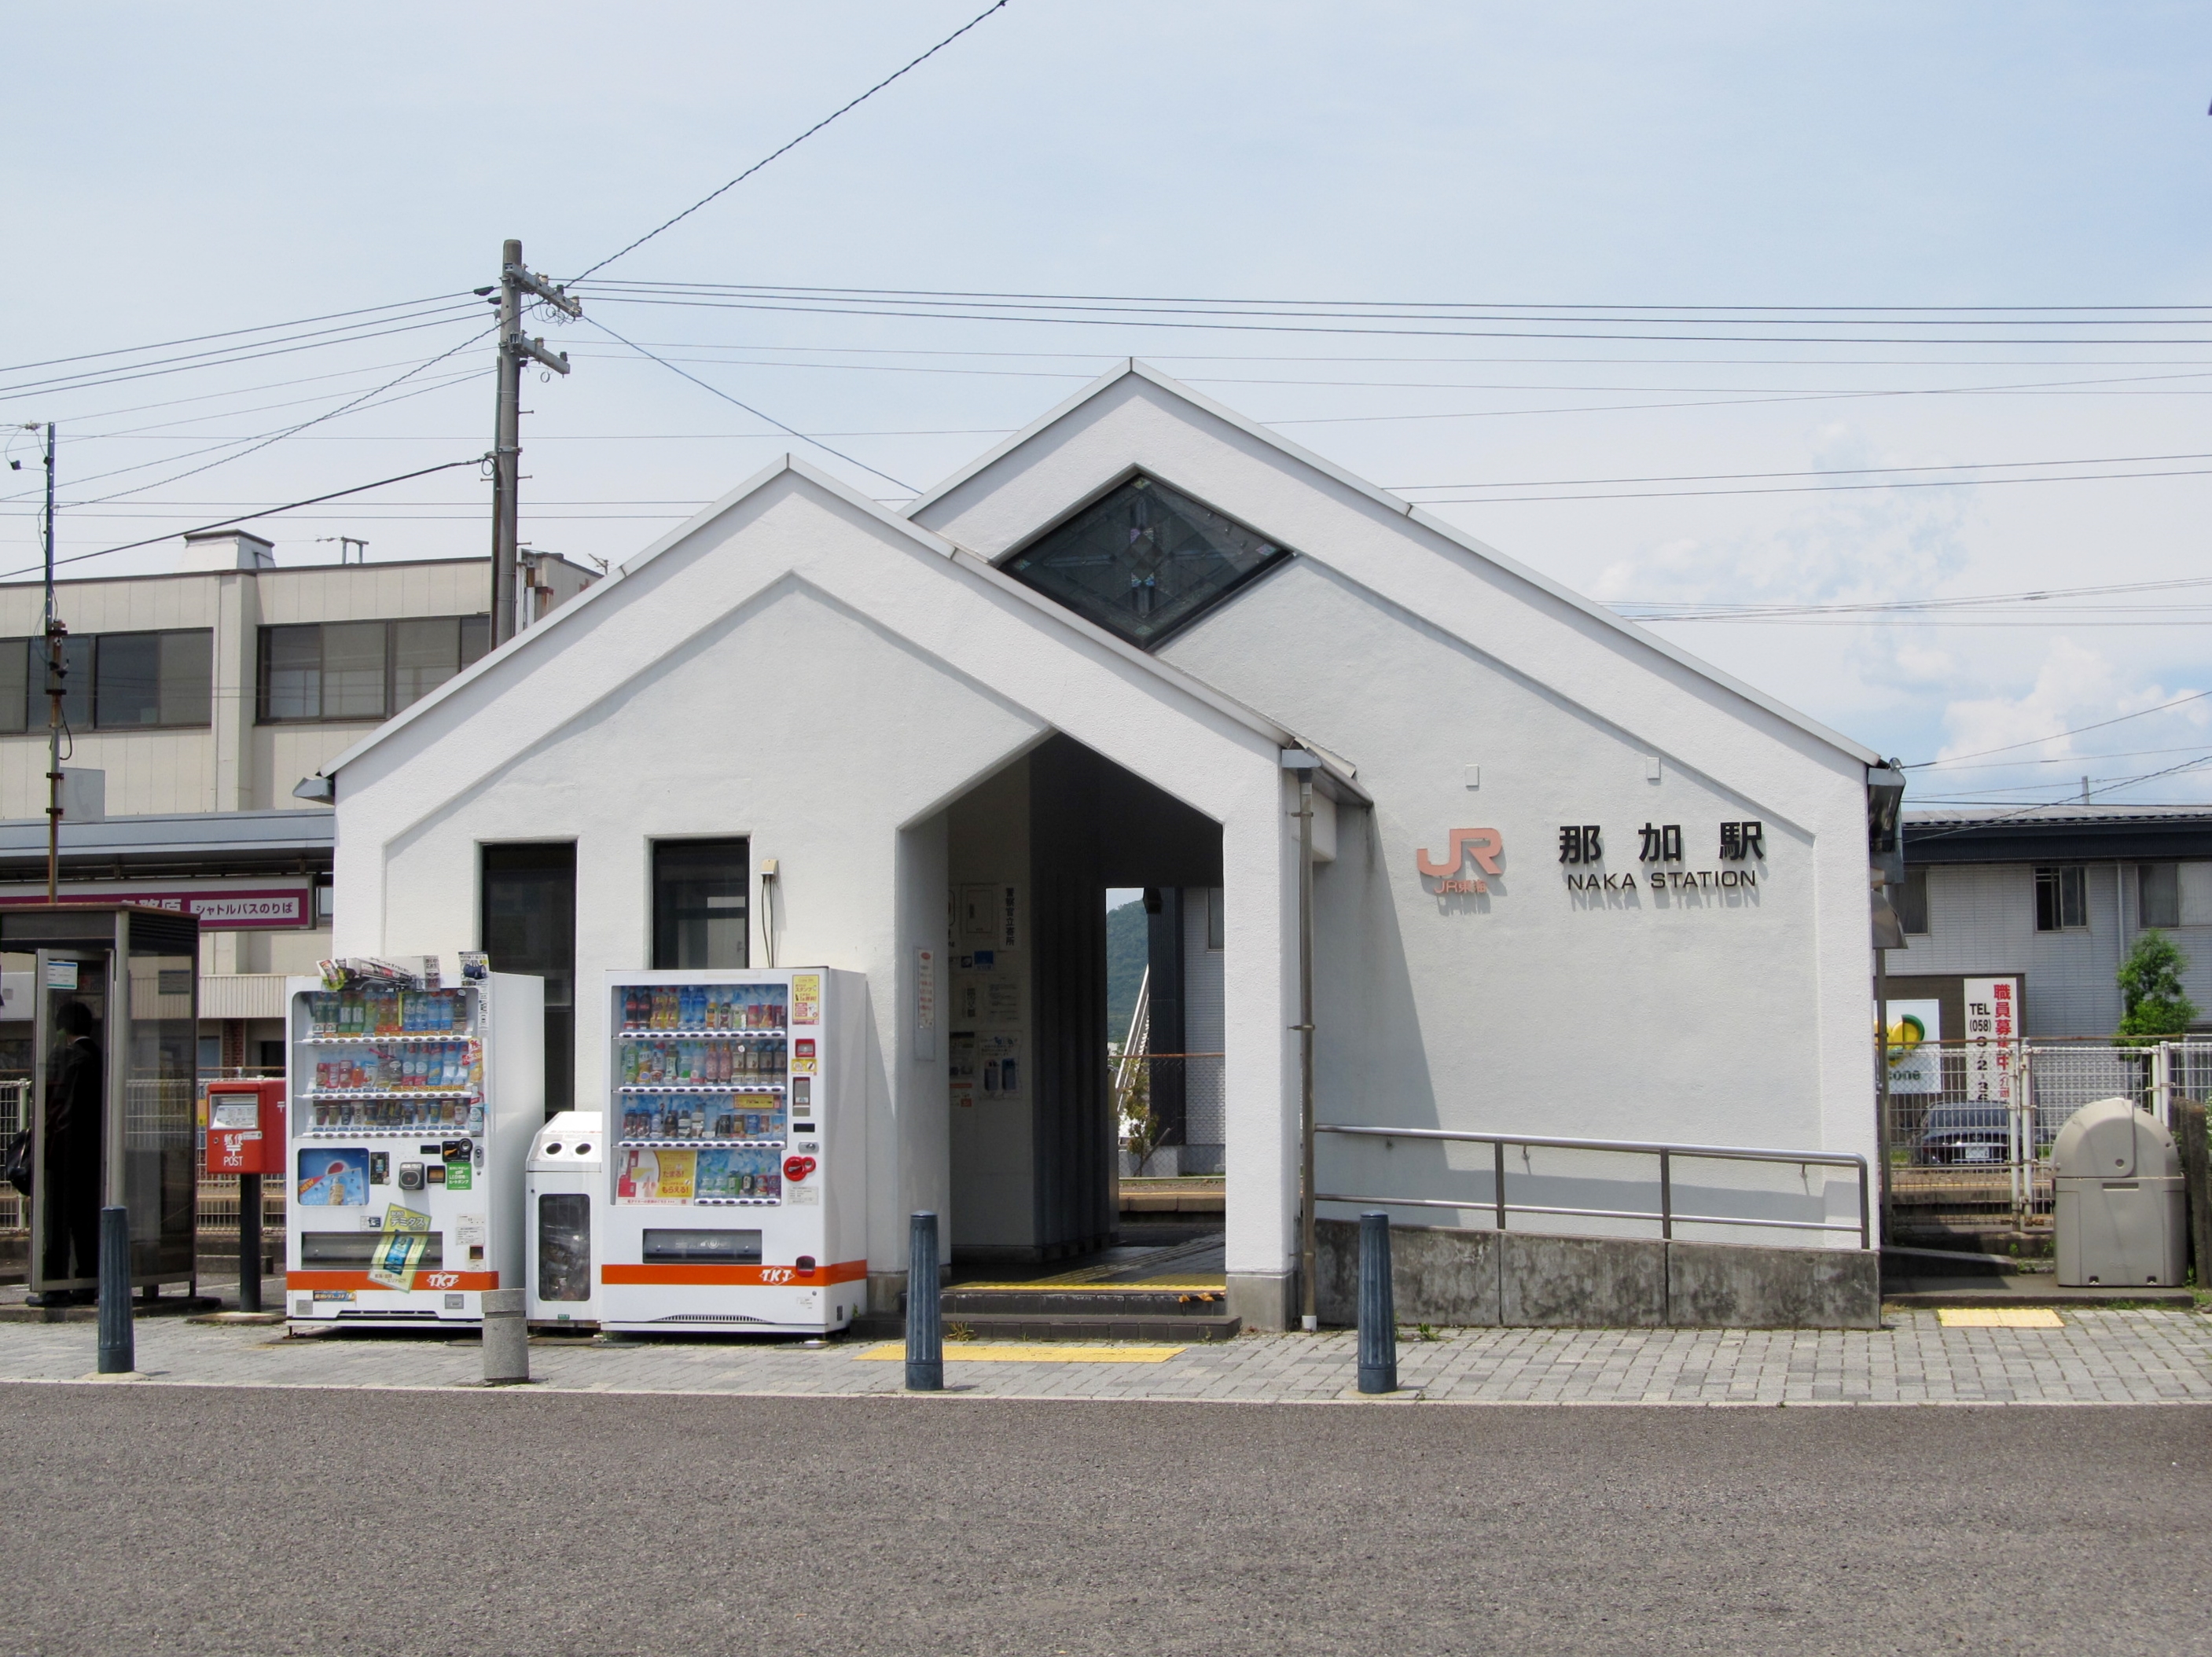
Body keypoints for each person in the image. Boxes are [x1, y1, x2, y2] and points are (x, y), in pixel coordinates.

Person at [35, 1000, 103, 1306]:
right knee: (85, 1220)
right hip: (93, 1152)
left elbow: (58, 1108)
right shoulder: (100, 1056)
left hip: (65, 1153)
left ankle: (54, 1283)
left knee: (58, 1219)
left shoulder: (68, 1059)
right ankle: (88, 1280)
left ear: (62, 1028)